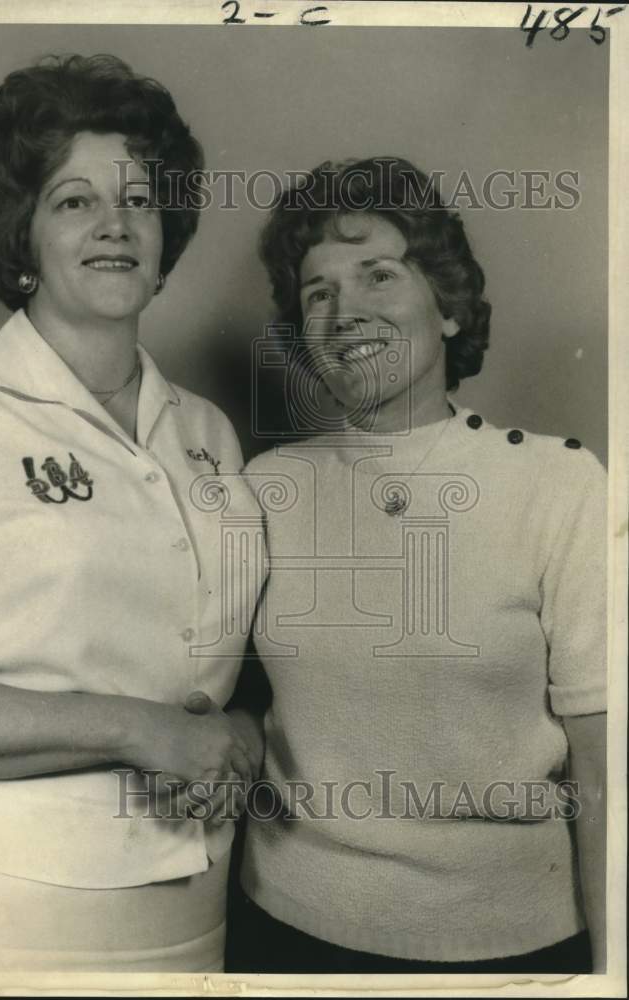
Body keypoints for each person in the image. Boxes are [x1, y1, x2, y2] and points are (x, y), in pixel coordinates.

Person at [0, 54, 263, 974]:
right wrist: (136, 727)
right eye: (74, 201)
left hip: (188, 907)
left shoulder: (203, 428)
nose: (116, 225)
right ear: (21, 238)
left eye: (139, 199)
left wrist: (237, 735)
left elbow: (217, 663)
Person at [227, 157, 607, 974]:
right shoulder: (267, 488)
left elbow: (609, 773)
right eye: (317, 292)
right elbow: (232, 706)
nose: (344, 310)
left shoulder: (560, 483)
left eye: (378, 275)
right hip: (281, 931)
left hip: (510, 950)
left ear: (446, 308)